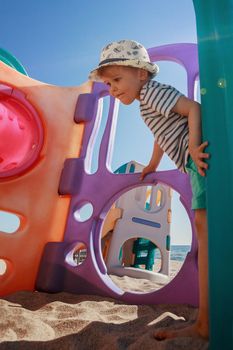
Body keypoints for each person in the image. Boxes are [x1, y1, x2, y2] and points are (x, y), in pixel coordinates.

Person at [89, 39, 209, 340]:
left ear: (141, 74)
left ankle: (204, 324)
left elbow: (193, 108)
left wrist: (193, 147)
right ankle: (204, 321)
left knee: (204, 225)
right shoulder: (146, 104)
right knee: (202, 224)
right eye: (108, 83)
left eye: (117, 79)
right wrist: (152, 162)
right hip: (190, 161)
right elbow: (160, 132)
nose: (112, 89)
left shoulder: (153, 91)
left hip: (197, 160)